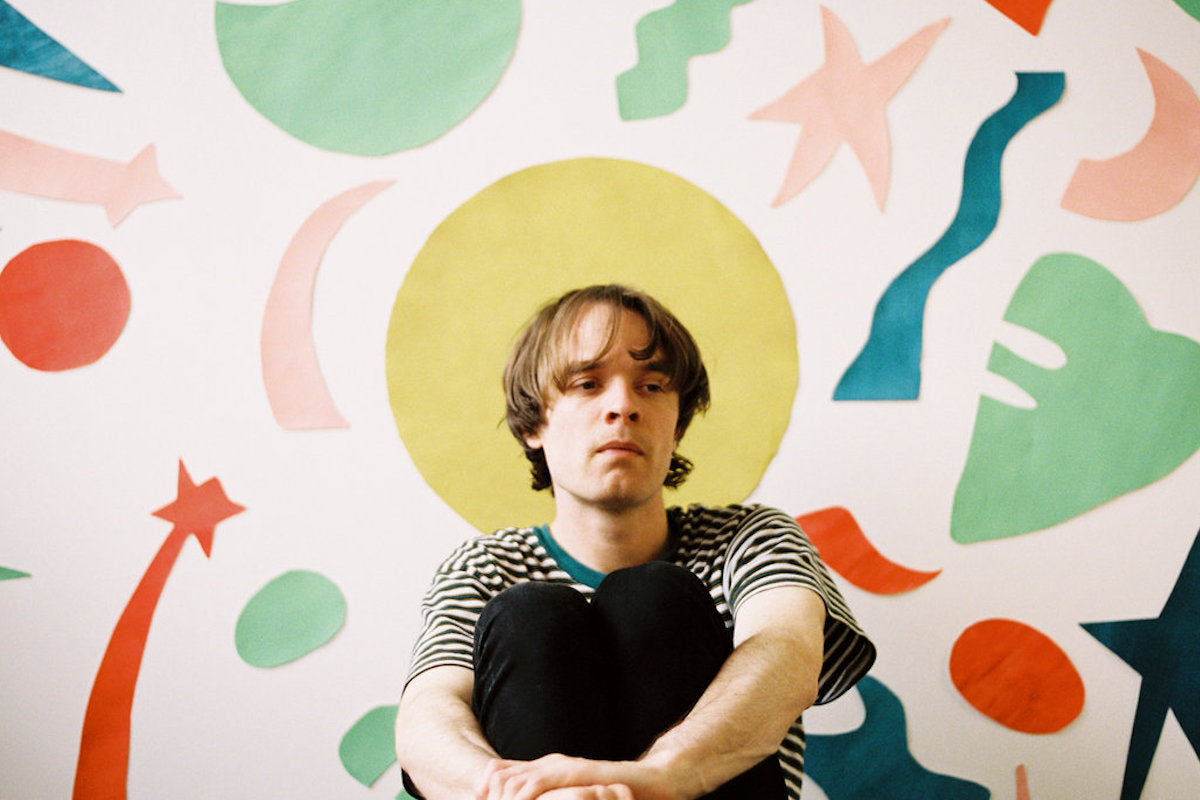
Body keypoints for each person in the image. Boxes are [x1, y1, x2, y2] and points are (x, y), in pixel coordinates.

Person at [396, 285, 875, 800]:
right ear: (534, 421)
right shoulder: (485, 567)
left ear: (677, 424)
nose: (623, 406)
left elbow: (788, 653)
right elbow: (428, 715)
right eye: (587, 384)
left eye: (651, 386)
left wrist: (666, 775)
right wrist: (513, 791)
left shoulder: (750, 538)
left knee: (650, 596)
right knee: (528, 613)